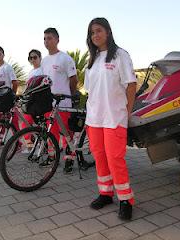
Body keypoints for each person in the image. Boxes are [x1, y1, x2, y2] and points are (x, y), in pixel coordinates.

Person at [84, 18, 137, 220]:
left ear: (108, 32)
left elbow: (131, 85)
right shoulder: (93, 59)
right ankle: (106, 193)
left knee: (115, 158)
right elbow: (90, 90)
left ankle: (126, 199)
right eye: (92, 32)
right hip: (94, 118)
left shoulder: (120, 55)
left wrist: (127, 112)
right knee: (99, 155)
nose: (95, 35)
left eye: (98, 31)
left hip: (114, 116)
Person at [41, 27, 78, 174]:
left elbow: (73, 80)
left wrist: (69, 95)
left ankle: (70, 158)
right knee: (51, 132)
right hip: (48, 103)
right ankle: (52, 156)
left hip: (63, 104)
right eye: (44, 38)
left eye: (49, 38)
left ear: (57, 40)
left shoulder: (65, 58)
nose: (46, 41)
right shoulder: (44, 61)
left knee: (66, 133)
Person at [0, 46, 19, 148]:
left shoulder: (8, 67)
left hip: (8, 97)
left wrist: (13, 95)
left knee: (12, 120)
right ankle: (0, 140)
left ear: (3, 55)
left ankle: (18, 143)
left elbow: (15, 82)